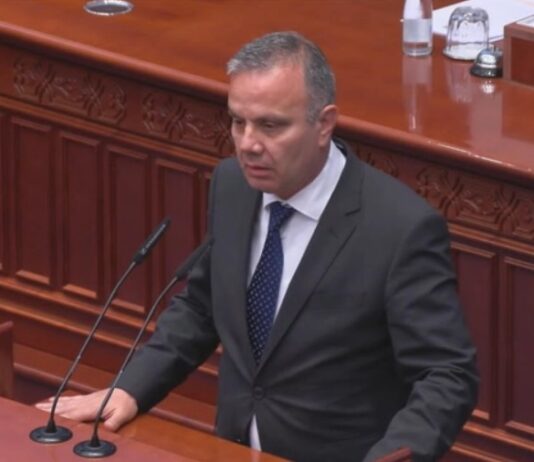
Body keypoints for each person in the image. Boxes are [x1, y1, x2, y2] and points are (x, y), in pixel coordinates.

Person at [37, 31, 478, 461]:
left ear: (323, 124)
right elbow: (203, 306)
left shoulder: (398, 227)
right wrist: (131, 387)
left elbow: (447, 374)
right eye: (238, 121)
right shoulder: (232, 185)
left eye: (270, 125)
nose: (248, 144)